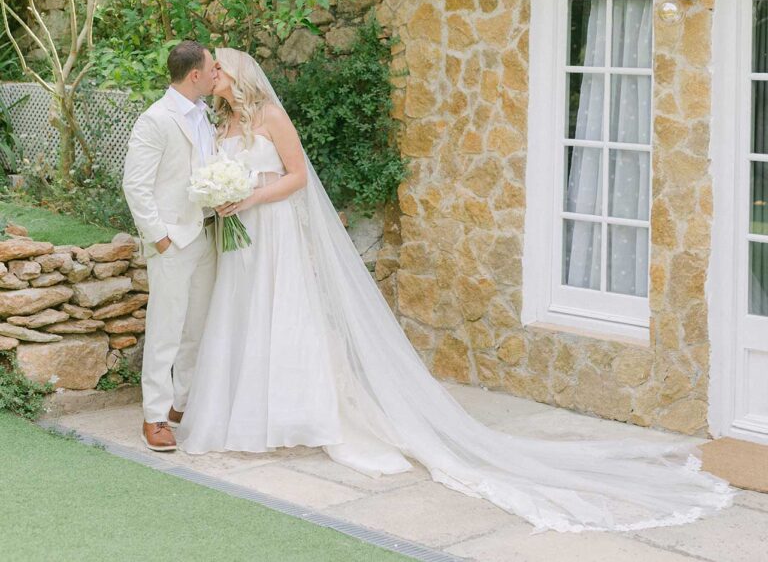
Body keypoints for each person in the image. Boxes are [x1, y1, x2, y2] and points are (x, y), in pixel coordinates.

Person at [178, 48, 732, 534]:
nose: (216, 74)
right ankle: (252, 415)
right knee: (245, 320)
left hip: (274, 232)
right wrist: (220, 197)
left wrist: (248, 199)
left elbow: (298, 176)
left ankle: (308, 414)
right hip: (242, 242)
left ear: (241, 73)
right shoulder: (221, 124)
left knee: (290, 318)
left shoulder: (272, 115)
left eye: (221, 67)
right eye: (213, 69)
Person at [123, 40, 218, 452]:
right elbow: (136, 186)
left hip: (209, 235)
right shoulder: (155, 120)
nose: (217, 74)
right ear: (194, 74)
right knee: (166, 329)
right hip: (173, 241)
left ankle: (181, 404)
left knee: (197, 327)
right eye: (212, 68)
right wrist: (159, 238)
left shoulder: (206, 116)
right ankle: (155, 417)